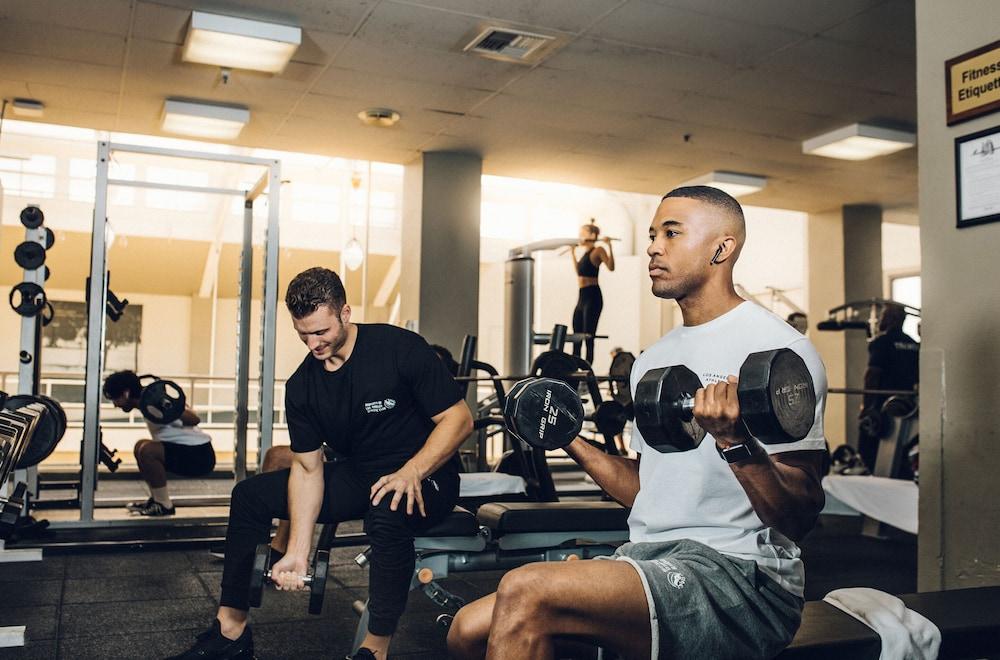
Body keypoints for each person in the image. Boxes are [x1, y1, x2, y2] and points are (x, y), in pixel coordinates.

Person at [448, 186, 828, 660]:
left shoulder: (781, 352)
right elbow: (646, 490)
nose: (652, 246)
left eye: (672, 233)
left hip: (742, 576)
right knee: (467, 630)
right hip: (653, 558)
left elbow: (800, 517)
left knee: (526, 590)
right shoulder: (655, 358)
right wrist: (569, 438)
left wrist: (734, 441)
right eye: (652, 234)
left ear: (722, 248)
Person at [168, 267, 473, 660]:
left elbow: (458, 419)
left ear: (344, 313)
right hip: (361, 473)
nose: (313, 344)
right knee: (249, 496)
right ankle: (231, 631)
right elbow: (309, 470)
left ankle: (375, 648)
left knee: (386, 508)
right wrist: (298, 548)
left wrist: (412, 470)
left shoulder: (400, 348)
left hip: (428, 475)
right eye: (303, 334)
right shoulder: (303, 387)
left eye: (321, 331)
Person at [103, 371, 215, 517]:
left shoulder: (155, 400)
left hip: (199, 455)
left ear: (126, 393)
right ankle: (157, 499)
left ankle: (164, 505)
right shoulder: (146, 401)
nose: (115, 405)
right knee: (140, 446)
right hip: (186, 451)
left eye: (115, 399)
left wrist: (169, 405)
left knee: (147, 450)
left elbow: (194, 419)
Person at [857, 302, 919, 472]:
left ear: (891, 319)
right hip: (908, 408)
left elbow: (872, 376)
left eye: (882, 315)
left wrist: (866, 407)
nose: (879, 320)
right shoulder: (914, 345)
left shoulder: (882, 342)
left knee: (868, 452)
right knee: (902, 455)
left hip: (882, 408)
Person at [569, 219, 615, 365]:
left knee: (589, 337)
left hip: (593, 296)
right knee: (577, 336)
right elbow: (578, 272)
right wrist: (572, 252)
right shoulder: (585, 253)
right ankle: (574, 371)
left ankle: (586, 371)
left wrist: (609, 246)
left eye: (582, 233)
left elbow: (611, 267)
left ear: (592, 235)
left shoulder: (598, 251)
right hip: (581, 296)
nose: (580, 236)